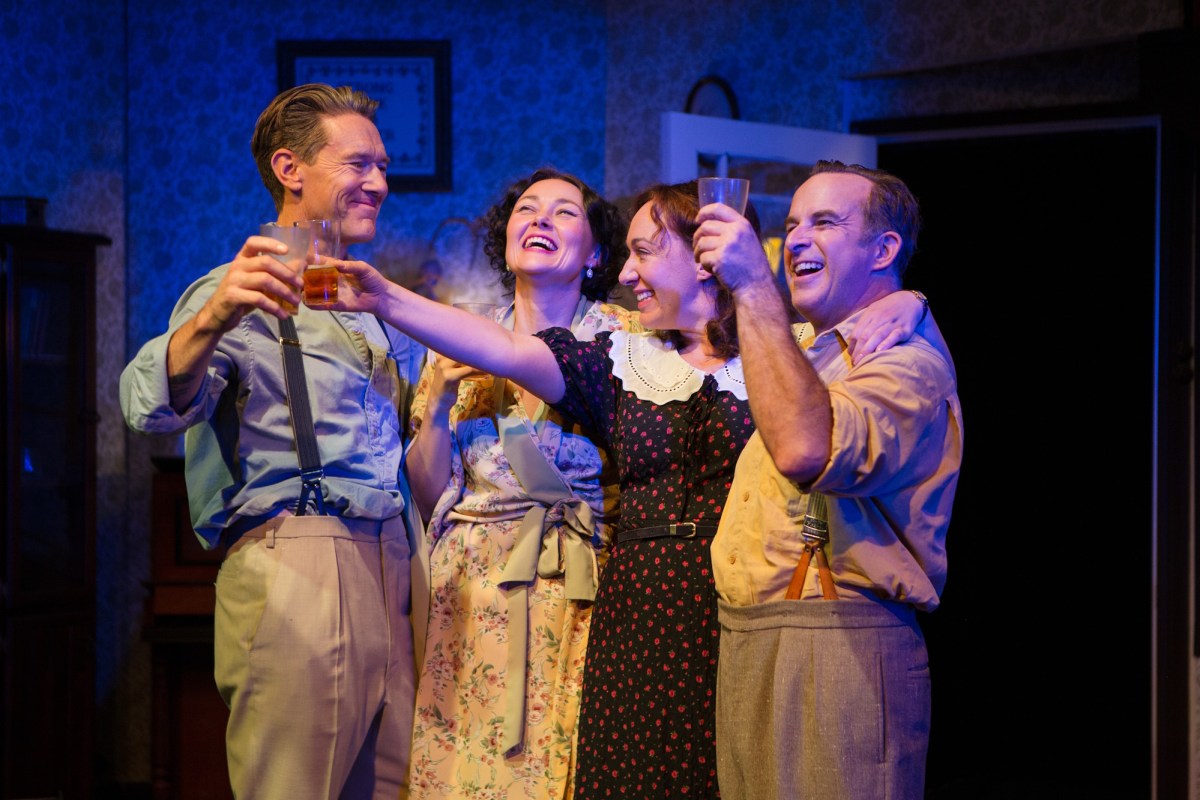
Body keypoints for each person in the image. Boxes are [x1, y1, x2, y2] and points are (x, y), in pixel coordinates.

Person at [326, 178, 932, 797]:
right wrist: (385, 298)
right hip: (638, 607)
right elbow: (505, 347)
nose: (626, 272)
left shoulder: (783, 349)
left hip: (737, 606)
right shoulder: (622, 358)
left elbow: (853, 342)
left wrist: (912, 302)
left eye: (644, 252)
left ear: (705, 257)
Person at [119, 83, 427, 799]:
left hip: (394, 565)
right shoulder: (234, 294)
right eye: (358, 165)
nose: (379, 184)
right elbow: (144, 406)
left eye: (383, 167)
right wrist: (215, 315)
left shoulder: (371, 301)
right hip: (302, 565)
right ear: (291, 169)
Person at [694, 160, 963, 800]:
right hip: (755, 637)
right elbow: (683, 315)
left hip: (840, 646)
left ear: (883, 250)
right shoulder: (805, 347)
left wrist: (754, 282)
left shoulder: (905, 365)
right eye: (791, 225)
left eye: (824, 222)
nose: (796, 240)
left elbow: (807, 451)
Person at [404, 167, 640, 799]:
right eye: (527, 209)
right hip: (472, 590)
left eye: (565, 212)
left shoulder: (628, 340)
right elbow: (427, 496)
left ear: (595, 254)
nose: (540, 219)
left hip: (584, 581)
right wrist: (438, 402)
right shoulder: (459, 337)